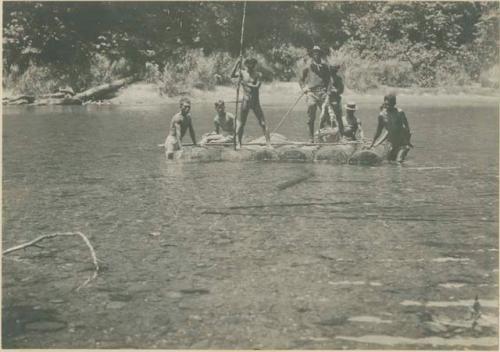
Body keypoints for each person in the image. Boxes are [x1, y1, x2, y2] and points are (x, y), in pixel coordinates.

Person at [231, 57, 271, 148]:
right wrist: (237, 63)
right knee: (242, 123)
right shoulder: (242, 72)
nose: (250, 66)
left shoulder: (258, 74)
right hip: (246, 101)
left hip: (255, 102)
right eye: (248, 64)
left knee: (263, 123)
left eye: (252, 64)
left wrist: (245, 83)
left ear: (254, 65)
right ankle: (239, 143)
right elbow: (232, 75)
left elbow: (256, 86)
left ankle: (268, 143)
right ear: (246, 64)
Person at [299, 45, 330, 142]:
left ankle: (323, 137)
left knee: (325, 115)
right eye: (314, 53)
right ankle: (310, 138)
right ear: (312, 55)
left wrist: (328, 92)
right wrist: (304, 88)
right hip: (311, 93)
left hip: (322, 93)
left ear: (320, 54)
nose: (316, 54)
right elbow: (301, 79)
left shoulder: (325, 66)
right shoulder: (308, 66)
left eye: (318, 53)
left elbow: (329, 80)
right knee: (311, 117)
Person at [369, 94, 412, 162]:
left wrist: (408, 141)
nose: (388, 106)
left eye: (390, 104)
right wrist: (373, 144)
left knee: (398, 162)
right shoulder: (382, 116)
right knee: (388, 162)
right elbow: (378, 131)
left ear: (394, 104)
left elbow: (407, 128)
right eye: (386, 104)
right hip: (391, 144)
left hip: (402, 144)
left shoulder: (400, 113)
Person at [319, 64, 344, 132]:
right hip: (327, 99)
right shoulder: (326, 79)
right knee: (323, 116)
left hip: (335, 100)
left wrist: (334, 91)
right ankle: (320, 132)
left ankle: (341, 134)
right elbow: (322, 89)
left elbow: (340, 90)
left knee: (338, 117)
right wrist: (324, 93)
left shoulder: (338, 79)